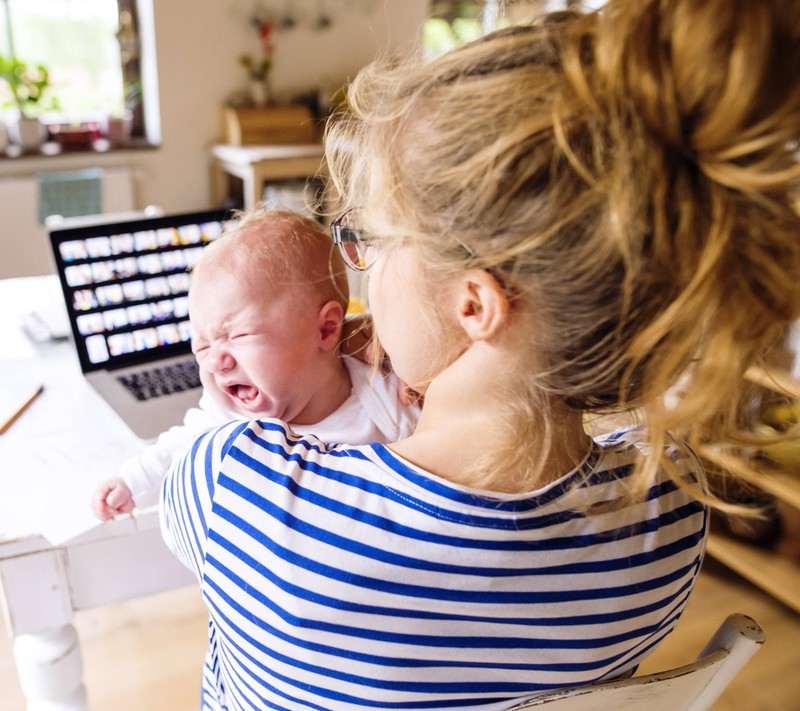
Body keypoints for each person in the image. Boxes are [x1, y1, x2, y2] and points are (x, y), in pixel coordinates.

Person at [161, 1, 800, 709]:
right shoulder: (672, 510)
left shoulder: (233, 486)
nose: (364, 270)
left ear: (473, 305)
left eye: (370, 239)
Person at [91, 209, 419, 520]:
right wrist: (132, 483)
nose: (216, 361)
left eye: (239, 335)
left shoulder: (382, 397)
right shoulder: (229, 417)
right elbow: (182, 446)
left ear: (326, 329)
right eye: (202, 345)